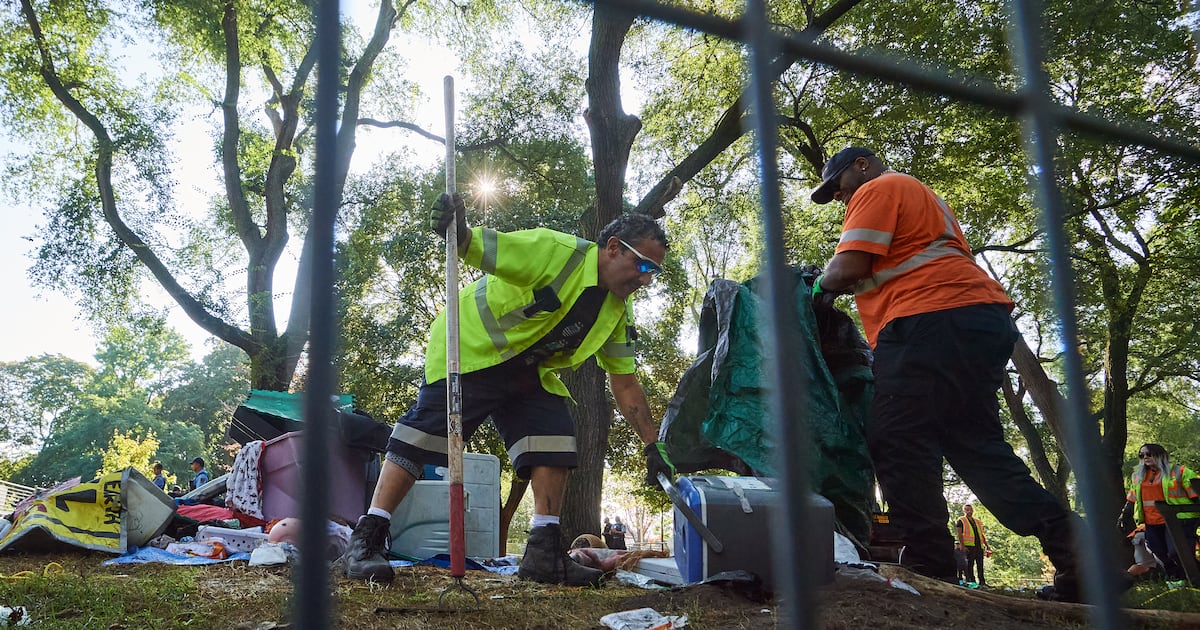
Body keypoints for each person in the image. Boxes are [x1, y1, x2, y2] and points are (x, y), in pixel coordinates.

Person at [341, 193, 669, 586]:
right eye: (644, 264)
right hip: (469, 348)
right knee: (425, 437)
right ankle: (367, 539)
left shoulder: (617, 311)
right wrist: (457, 229)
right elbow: (477, 247)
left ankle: (544, 554)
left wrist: (653, 445)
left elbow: (625, 381)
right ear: (613, 248)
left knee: (555, 439)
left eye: (655, 272)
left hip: (528, 371)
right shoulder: (554, 251)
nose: (647, 279)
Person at [810, 146, 1088, 602]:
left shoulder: (881, 186)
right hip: (976, 322)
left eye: (840, 188)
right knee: (979, 451)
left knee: (897, 439)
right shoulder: (920, 200)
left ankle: (929, 566)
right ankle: (1082, 556)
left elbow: (848, 268)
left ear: (862, 166)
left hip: (928, 320)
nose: (842, 199)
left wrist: (818, 288)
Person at [1119, 443, 1199, 589]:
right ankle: (1176, 581)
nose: (1145, 457)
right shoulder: (1138, 476)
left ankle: (1193, 580)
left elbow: (1196, 496)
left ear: (1160, 454)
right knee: (1158, 552)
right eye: (1141, 455)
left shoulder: (1179, 472)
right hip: (1151, 522)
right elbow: (1132, 497)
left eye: (1148, 454)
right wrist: (1125, 514)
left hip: (1179, 520)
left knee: (1177, 552)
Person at [955, 504, 991, 586]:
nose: (969, 511)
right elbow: (959, 534)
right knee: (970, 564)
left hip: (979, 546)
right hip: (969, 546)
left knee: (980, 565)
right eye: (967, 510)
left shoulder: (977, 521)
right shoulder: (961, 520)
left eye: (970, 510)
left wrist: (987, 546)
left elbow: (981, 534)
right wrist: (962, 546)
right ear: (964, 510)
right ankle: (972, 581)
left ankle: (982, 582)